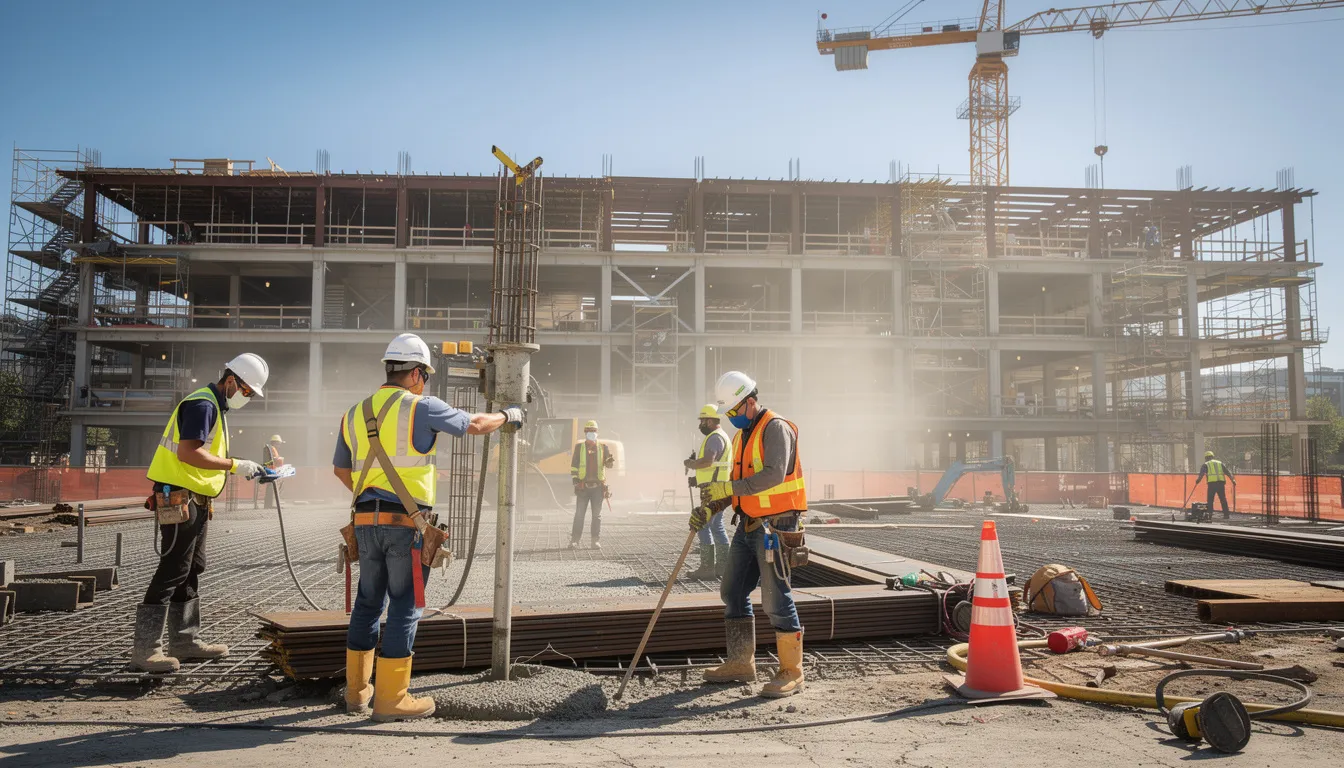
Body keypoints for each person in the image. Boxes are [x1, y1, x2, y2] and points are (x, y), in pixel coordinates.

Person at [333, 333, 522, 721]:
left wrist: (375, 495)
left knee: (368, 603)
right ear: (417, 373)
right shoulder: (421, 406)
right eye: (427, 376)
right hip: (407, 524)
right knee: (405, 604)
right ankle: (392, 699)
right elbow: (475, 424)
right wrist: (510, 415)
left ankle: (357, 694)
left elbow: (339, 469)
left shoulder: (353, 412)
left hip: (364, 522)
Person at [132, 353, 271, 674]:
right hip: (176, 498)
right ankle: (145, 650)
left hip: (192, 498)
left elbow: (200, 454)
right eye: (247, 391)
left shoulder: (213, 406)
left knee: (192, 566)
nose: (246, 398)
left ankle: (184, 640)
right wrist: (237, 465)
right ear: (232, 381)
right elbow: (188, 452)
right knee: (173, 568)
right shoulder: (203, 405)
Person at [694, 371, 807, 698]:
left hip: (777, 525)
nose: (730, 419)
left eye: (732, 412)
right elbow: (740, 486)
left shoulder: (776, 428)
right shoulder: (743, 437)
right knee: (732, 590)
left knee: (775, 597)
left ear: (750, 402)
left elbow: (771, 475)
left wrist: (726, 487)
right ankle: (741, 663)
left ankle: (792, 671)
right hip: (749, 523)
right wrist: (712, 505)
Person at [683, 404, 730, 579]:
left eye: (703, 421)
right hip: (719, 487)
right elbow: (717, 466)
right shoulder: (722, 436)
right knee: (716, 526)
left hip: (713, 490)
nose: (701, 424)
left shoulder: (714, 438)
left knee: (703, 524)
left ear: (710, 420)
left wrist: (692, 464)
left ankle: (707, 568)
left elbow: (709, 461)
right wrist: (697, 479)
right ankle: (722, 567)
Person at [569, 419, 614, 550]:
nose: (591, 433)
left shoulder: (603, 447)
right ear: (585, 432)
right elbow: (574, 466)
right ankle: (575, 540)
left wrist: (610, 462)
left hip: (598, 488)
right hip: (583, 487)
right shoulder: (579, 448)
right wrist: (575, 480)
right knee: (579, 515)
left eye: (593, 431)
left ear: (597, 432)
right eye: (589, 431)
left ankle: (595, 541)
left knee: (596, 516)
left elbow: (609, 464)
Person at [1194, 450, 1236, 517]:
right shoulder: (1220, 463)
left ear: (1206, 458)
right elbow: (1227, 472)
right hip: (1221, 483)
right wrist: (1232, 480)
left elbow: (1201, 474)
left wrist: (1198, 481)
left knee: (1210, 500)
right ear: (1213, 456)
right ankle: (1226, 515)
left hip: (1212, 484)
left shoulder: (1206, 464)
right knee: (1223, 499)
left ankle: (1209, 515)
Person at [255, 434, 286, 509]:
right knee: (272, 488)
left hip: (271, 470)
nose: (279, 445)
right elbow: (274, 460)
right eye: (278, 444)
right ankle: (269, 505)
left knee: (272, 488)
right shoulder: (272, 449)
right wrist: (280, 459)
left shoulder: (269, 448)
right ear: (275, 443)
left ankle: (269, 504)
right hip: (272, 470)